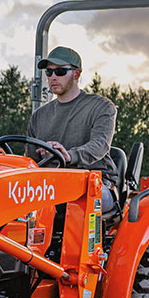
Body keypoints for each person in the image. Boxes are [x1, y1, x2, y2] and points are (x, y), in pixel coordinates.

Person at [28, 45, 119, 213]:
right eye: (49, 72)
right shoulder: (39, 116)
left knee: (69, 203)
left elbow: (100, 145)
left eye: (60, 72)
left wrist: (70, 156)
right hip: (49, 186)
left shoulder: (101, 107)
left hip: (94, 184)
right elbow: (30, 161)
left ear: (76, 74)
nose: (53, 77)